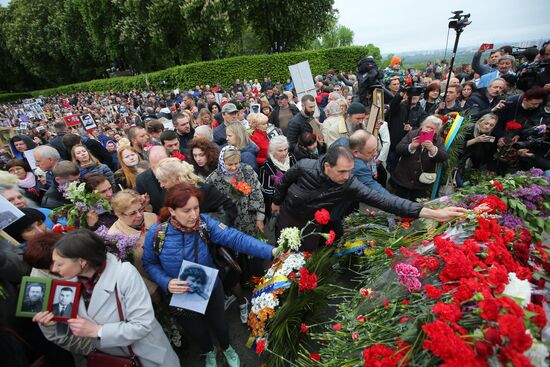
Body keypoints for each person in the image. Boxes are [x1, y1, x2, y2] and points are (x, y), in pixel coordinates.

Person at [142, 183, 276, 366]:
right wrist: (166, 282)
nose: (193, 215)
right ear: (172, 211)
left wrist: (271, 252)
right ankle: (209, 351)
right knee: (197, 331)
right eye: (186, 210)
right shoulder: (156, 234)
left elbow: (236, 238)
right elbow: (149, 264)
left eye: (196, 208)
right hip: (181, 294)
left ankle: (227, 347)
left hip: (210, 286)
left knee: (220, 324)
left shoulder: (205, 223)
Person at [272, 144, 466, 251]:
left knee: (304, 257)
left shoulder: (349, 183)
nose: (347, 177)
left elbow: (386, 201)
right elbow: (284, 182)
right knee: (282, 252)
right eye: (341, 172)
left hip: (313, 225)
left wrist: (433, 213)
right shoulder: (304, 166)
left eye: (350, 171)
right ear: (326, 166)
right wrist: (276, 202)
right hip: (288, 216)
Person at [33, 229, 180, 367]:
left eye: (59, 264)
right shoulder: (66, 283)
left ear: (82, 262)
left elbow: (142, 325)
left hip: (146, 356)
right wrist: (54, 323)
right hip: (111, 359)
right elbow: (69, 330)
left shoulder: (124, 274)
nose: (53, 270)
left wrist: (97, 331)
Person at [108, 189, 159, 297]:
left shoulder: (152, 217)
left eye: (140, 209)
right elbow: (125, 273)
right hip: (147, 289)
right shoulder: (114, 237)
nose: (140, 215)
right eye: (132, 213)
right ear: (118, 214)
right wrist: (152, 291)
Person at [390, 116, 447, 201]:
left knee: (416, 206)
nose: (428, 130)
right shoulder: (412, 134)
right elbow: (398, 148)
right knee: (399, 203)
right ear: (422, 126)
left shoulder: (439, 140)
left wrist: (432, 149)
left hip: (421, 183)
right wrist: (411, 146)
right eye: (427, 127)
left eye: (432, 128)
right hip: (403, 178)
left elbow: (443, 157)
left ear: (436, 131)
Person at [259, 136, 296, 219]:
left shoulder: (291, 157)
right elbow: (265, 189)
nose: (284, 153)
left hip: (293, 201)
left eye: (285, 149)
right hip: (277, 204)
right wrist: (284, 191)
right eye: (280, 150)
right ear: (273, 151)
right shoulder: (267, 166)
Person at [348, 130, 391, 196]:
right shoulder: (359, 167)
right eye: (371, 152)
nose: (376, 154)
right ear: (356, 152)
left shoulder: (345, 143)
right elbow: (377, 191)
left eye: (375, 149)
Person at [135, 146, 168, 213]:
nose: (158, 170)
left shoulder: (180, 173)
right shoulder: (141, 180)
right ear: (149, 163)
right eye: (154, 167)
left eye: (162, 165)